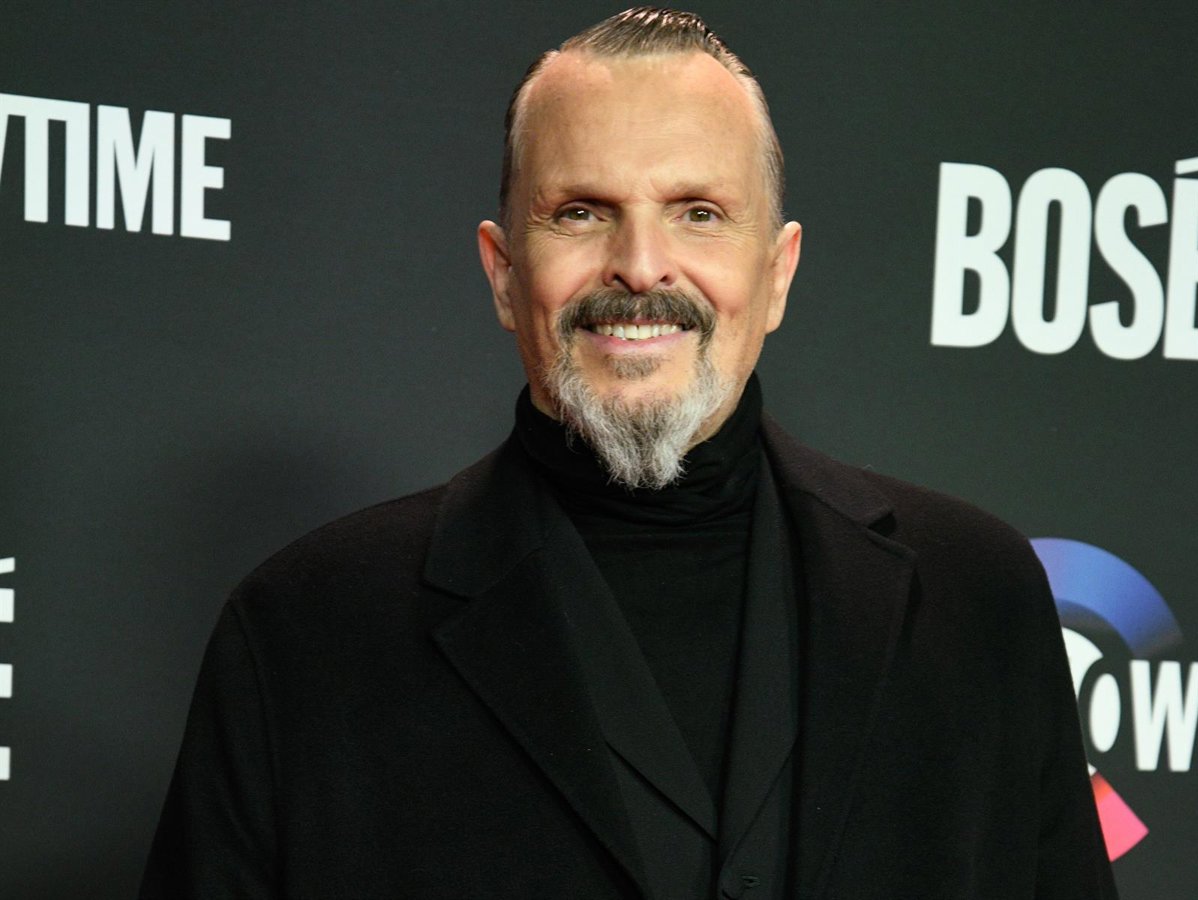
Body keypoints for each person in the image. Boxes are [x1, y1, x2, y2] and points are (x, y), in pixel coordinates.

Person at [141, 8, 1118, 899]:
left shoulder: (976, 599)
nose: (642, 267)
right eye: (582, 211)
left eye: (698, 212)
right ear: (502, 272)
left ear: (777, 273)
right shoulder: (305, 633)